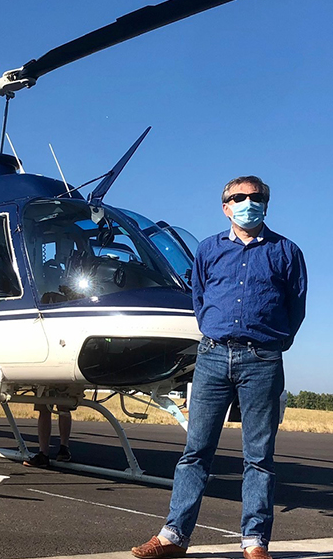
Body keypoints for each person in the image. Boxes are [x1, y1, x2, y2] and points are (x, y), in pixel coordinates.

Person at [132, 176, 307, 559]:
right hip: (211, 356)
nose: (248, 202)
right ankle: (173, 537)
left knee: (258, 456)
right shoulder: (209, 250)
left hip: (262, 360)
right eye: (239, 197)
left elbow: (296, 309)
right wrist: (215, 333)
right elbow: (199, 298)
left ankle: (255, 542)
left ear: (266, 203)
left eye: (256, 197)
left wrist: (271, 344)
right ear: (226, 206)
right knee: (196, 450)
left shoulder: (286, 252)